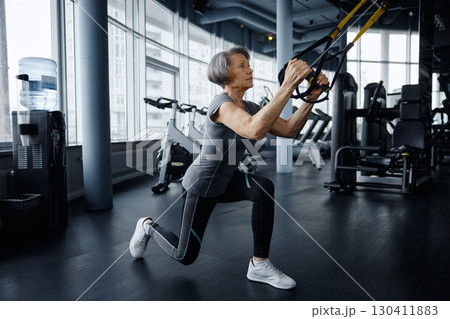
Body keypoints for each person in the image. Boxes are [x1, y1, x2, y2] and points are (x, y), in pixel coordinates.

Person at [130, 46, 329, 290]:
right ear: (225, 74)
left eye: (249, 64)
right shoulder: (221, 105)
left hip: (226, 180)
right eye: (242, 66)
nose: (250, 69)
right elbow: (252, 129)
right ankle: (147, 227)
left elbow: (289, 129)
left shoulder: (252, 107)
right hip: (201, 186)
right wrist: (288, 84)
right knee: (185, 256)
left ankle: (259, 263)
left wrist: (313, 95)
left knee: (263, 187)